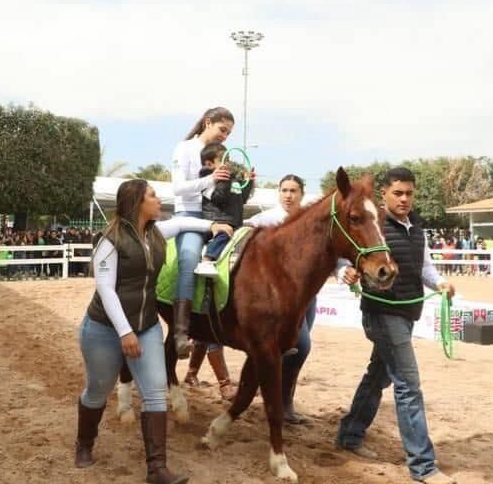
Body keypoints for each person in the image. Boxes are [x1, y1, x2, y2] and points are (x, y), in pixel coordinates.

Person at [75, 178, 232, 484]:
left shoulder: (157, 233)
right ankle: (84, 444)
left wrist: (212, 227)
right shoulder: (110, 239)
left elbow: (185, 221)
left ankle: (157, 468)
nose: (159, 200)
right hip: (105, 329)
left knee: (156, 392)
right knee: (97, 391)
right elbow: (106, 290)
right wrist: (124, 332)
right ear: (137, 202)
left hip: (145, 327)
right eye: (153, 196)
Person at [335, 167, 456, 484]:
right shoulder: (374, 224)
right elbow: (344, 256)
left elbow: (424, 267)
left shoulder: (416, 227)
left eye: (410, 193)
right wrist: (344, 273)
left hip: (407, 311)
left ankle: (349, 434)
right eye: (398, 193)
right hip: (382, 312)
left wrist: (441, 283)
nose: (405, 199)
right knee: (408, 384)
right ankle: (423, 466)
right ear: (384, 194)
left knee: (379, 377)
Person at [244, 174, 315, 424]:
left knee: (295, 350)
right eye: (284, 190)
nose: (288, 195)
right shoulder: (266, 218)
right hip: (279, 299)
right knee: (299, 345)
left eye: (293, 190)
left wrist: (342, 270)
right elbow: (243, 229)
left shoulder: (310, 220)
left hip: (308, 296)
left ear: (302, 194)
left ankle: (284, 404)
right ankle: (276, 404)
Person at [171, 107, 234, 358]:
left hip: (218, 216)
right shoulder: (184, 149)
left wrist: (244, 182)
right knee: (188, 259)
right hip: (189, 216)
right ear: (208, 122)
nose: (225, 136)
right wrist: (211, 179)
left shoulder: (222, 155)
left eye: (228, 133)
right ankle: (180, 334)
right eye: (222, 130)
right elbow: (178, 189)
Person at [194, 142, 255, 277]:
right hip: (218, 222)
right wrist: (224, 181)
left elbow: (242, 199)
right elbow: (218, 199)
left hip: (234, 223)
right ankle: (207, 260)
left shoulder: (232, 179)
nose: (226, 163)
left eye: (227, 159)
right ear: (209, 164)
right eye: (222, 160)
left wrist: (248, 182)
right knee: (223, 234)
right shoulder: (207, 181)